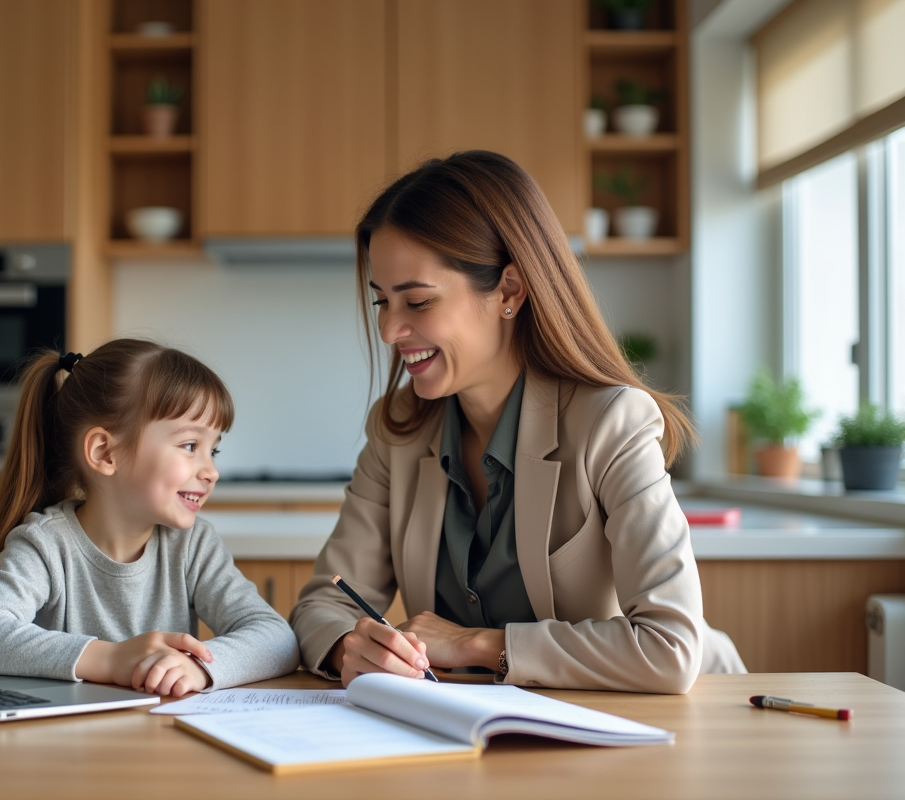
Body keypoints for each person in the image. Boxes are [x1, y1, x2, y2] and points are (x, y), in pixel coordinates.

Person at [290, 150, 745, 694]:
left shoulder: (611, 422)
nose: (390, 330)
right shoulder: (400, 431)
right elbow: (324, 603)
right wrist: (351, 647)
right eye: (381, 302)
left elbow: (670, 647)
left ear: (509, 290)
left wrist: (477, 643)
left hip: (677, 721)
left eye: (416, 302)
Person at [0, 339, 299, 696]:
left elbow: (277, 639)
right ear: (105, 452)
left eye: (214, 450)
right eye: (191, 446)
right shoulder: (46, 544)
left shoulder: (193, 545)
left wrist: (199, 668)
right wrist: (111, 659)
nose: (211, 471)